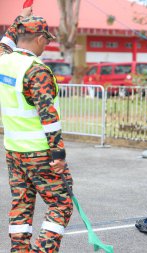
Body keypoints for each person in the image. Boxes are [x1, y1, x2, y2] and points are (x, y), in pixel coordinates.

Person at [0, 11, 73, 253]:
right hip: (40, 153)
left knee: (21, 203)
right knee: (61, 203)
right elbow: (48, 117)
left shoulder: (3, 61)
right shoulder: (36, 70)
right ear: (40, 37)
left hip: (13, 150)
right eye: (47, 40)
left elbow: (4, 44)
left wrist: (18, 20)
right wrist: (59, 155)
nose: (47, 45)